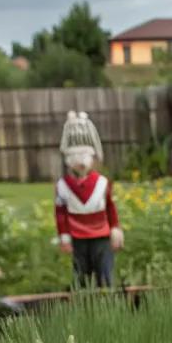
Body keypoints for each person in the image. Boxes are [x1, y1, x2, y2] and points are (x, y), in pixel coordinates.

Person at [54, 111, 123, 287]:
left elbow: (110, 207)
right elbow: (60, 213)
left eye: (84, 156)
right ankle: (82, 300)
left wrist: (115, 228)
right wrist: (64, 237)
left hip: (101, 236)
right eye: (75, 156)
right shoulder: (63, 186)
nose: (80, 161)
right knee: (81, 273)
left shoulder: (102, 183)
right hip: (78, 238)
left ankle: (108, 300)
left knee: (105, 273)